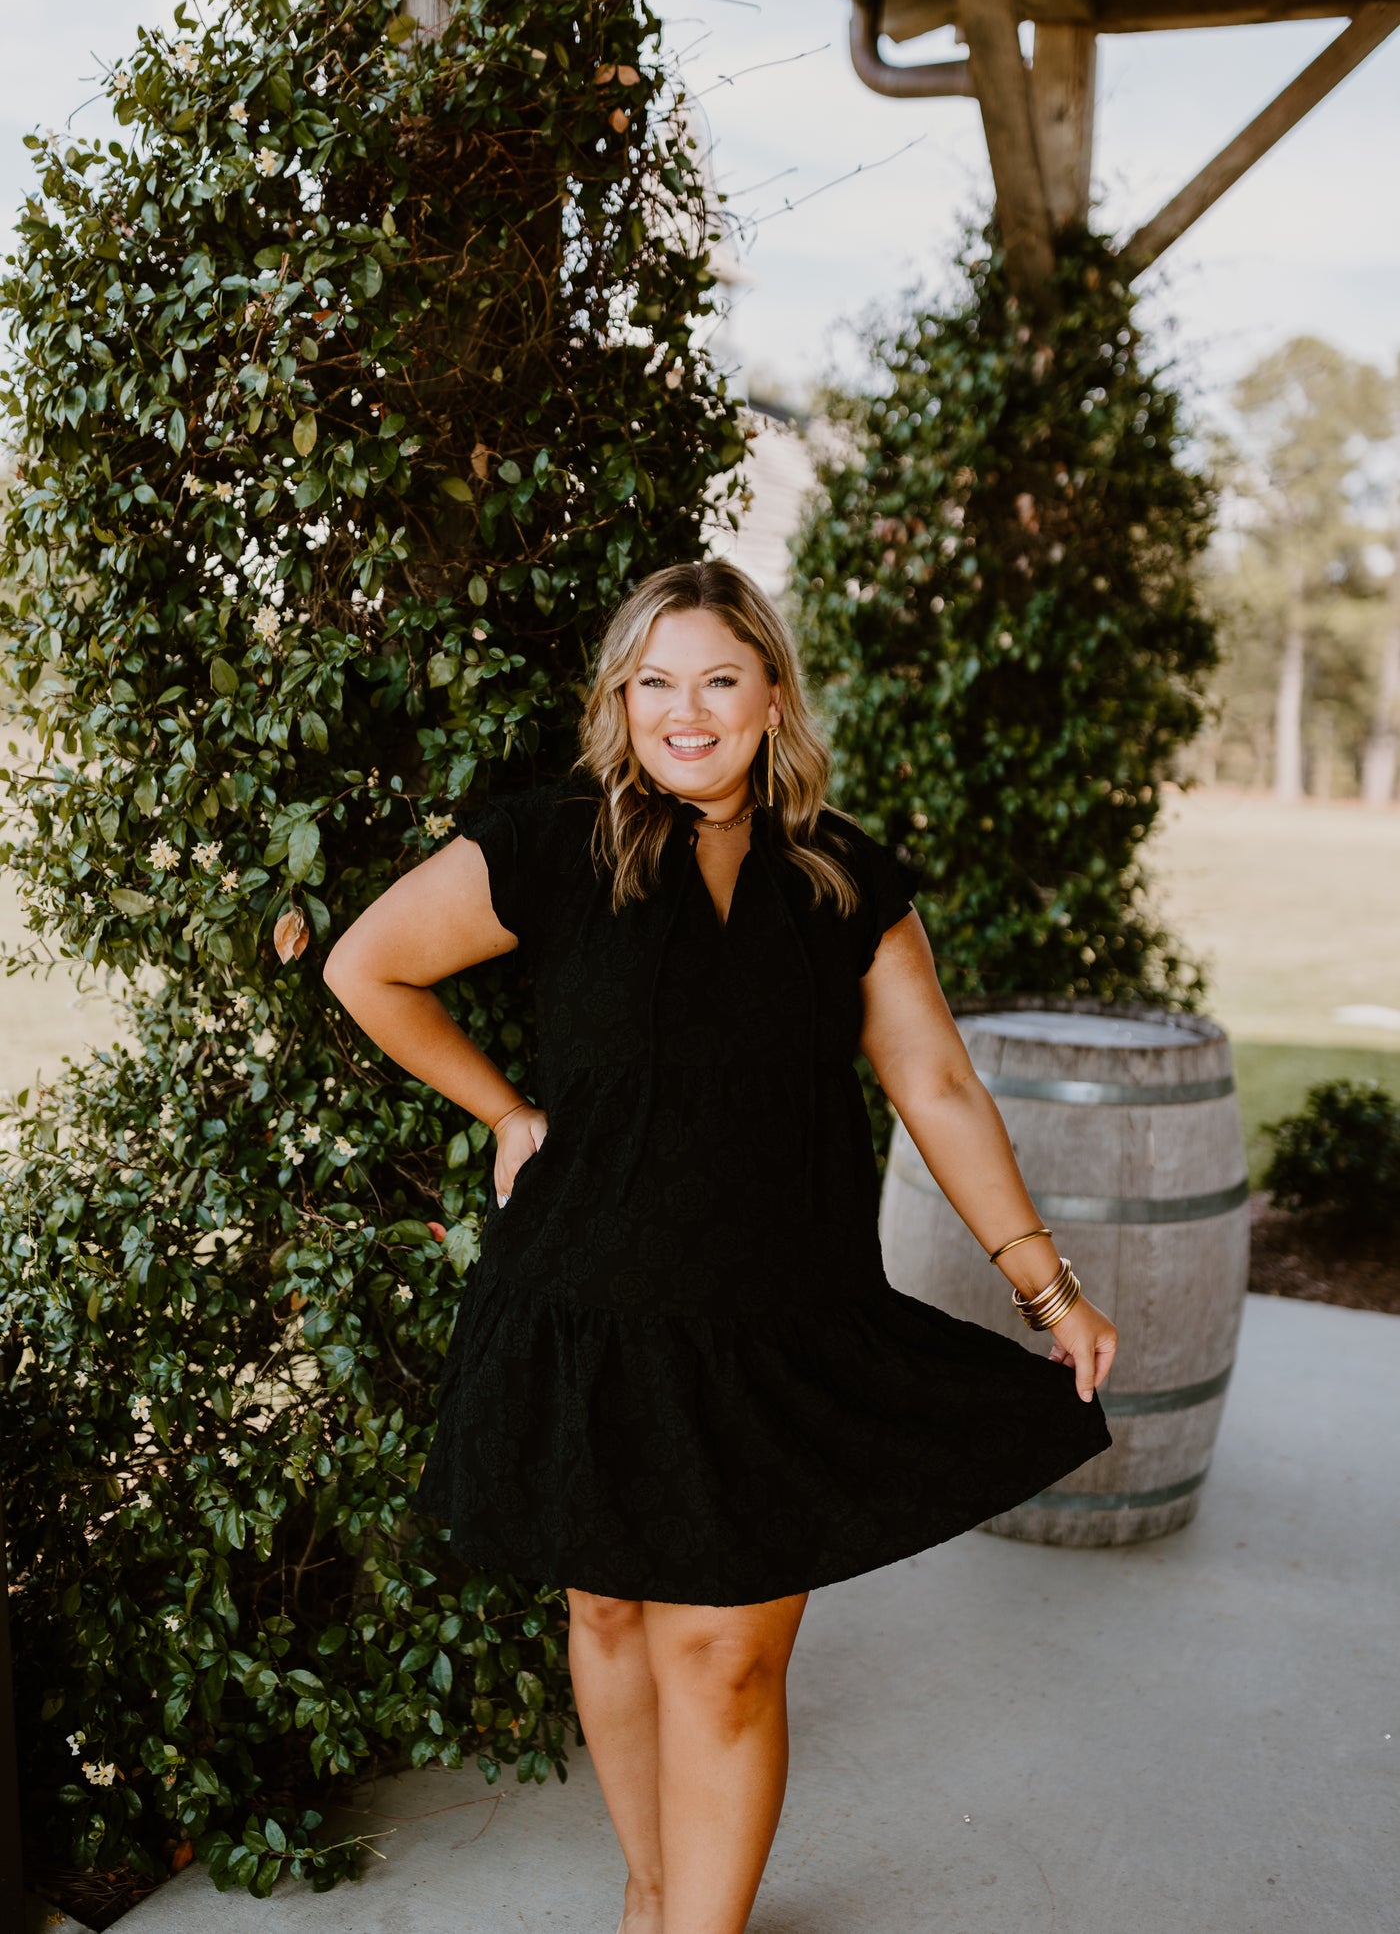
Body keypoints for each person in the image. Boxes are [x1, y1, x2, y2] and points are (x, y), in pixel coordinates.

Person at [324, 558, 1116, 1934]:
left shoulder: (846, 877)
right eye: (656, 683)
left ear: (772, 696)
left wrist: (1045, 1283)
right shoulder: (548, 844)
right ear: (621, 699)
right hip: (583, 1305)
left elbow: (933, 1083)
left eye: (719, 680)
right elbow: (365, 966)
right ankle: (649, 1891)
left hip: (778, 1324)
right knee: (616, 1618)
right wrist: (503, 1108)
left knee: (733, 1660)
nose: (686, 712)